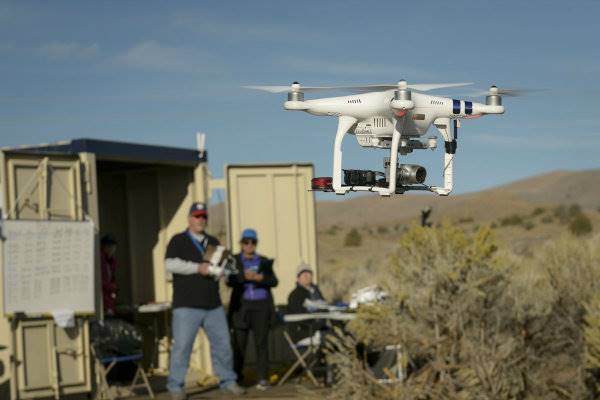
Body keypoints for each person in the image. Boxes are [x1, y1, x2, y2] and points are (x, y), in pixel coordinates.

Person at [165, 202, 244, 399]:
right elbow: (170, 264)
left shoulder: (213, 241)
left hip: (213, 304)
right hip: (186, 305)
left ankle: (228, 381)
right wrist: (197, 268)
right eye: (197, 216)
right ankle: (175, 386)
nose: (200, 220)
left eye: (203, 217)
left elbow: (219, 268)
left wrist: (223, 272)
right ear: (189, 219)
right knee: (182, 347)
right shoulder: (178, 240)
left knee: (223, 344)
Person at [227, 229, 278, 390]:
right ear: (241, 243)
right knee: (239, 344)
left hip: (261, 306)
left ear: (256, 243)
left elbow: (274, 281)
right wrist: (244, 277)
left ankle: (262, 378)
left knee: (261, 343)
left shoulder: (263, 261)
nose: (249, 245)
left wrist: (261, 278)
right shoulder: (234, 260)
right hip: (242, 306)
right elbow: (229, 280)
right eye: (246, 242)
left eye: (253, 242)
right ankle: (237, 378)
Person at [100, 234, 118, 316]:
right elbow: (100, 281)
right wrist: (111, 286)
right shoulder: (100, 259)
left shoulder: (112, 261)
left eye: (113, 247)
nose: (112, 249)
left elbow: (112, 277)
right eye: (109, 246)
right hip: (103, 299)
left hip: (110, 298)